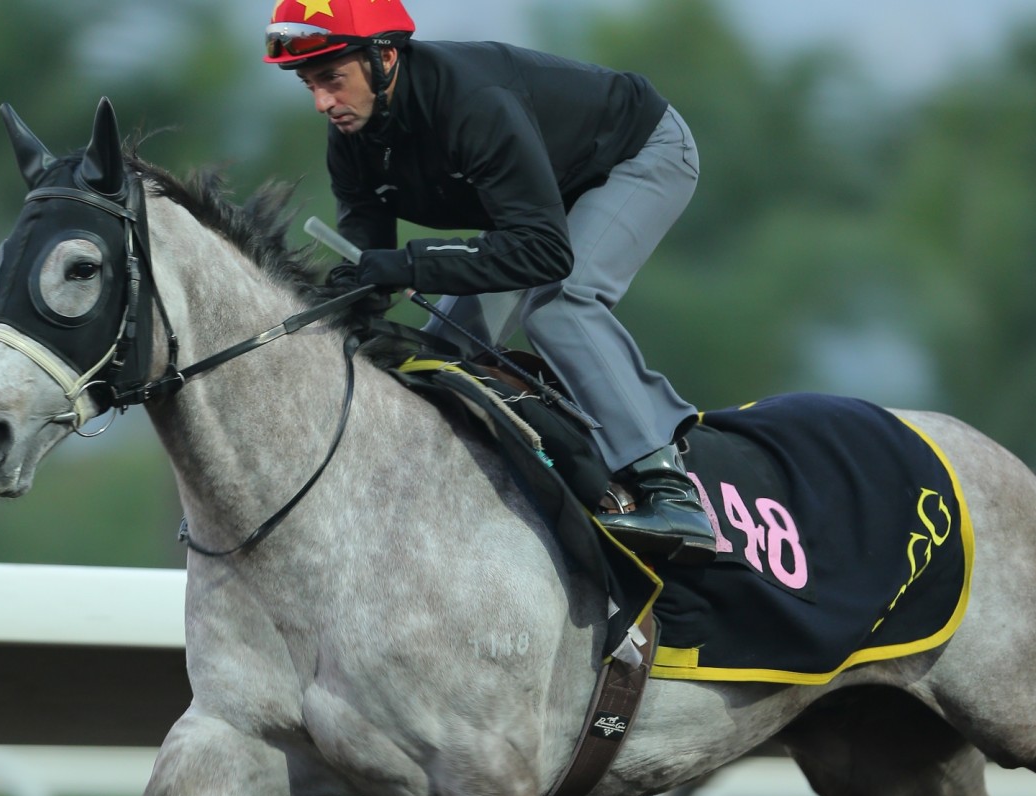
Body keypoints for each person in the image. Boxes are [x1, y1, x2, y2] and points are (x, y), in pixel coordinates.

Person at [264, 0, 716, 566]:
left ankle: (669, 489)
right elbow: (367, 272)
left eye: (332, 79)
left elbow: (545, 251)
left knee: (560, 305)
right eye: (308, 84)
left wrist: (409, 264)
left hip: (635, 154)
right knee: (440, 354)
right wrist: (339, 306)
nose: (322, 102)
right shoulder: (352, 136)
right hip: (536, 202)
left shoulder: (472, 105)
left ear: (384, 57)